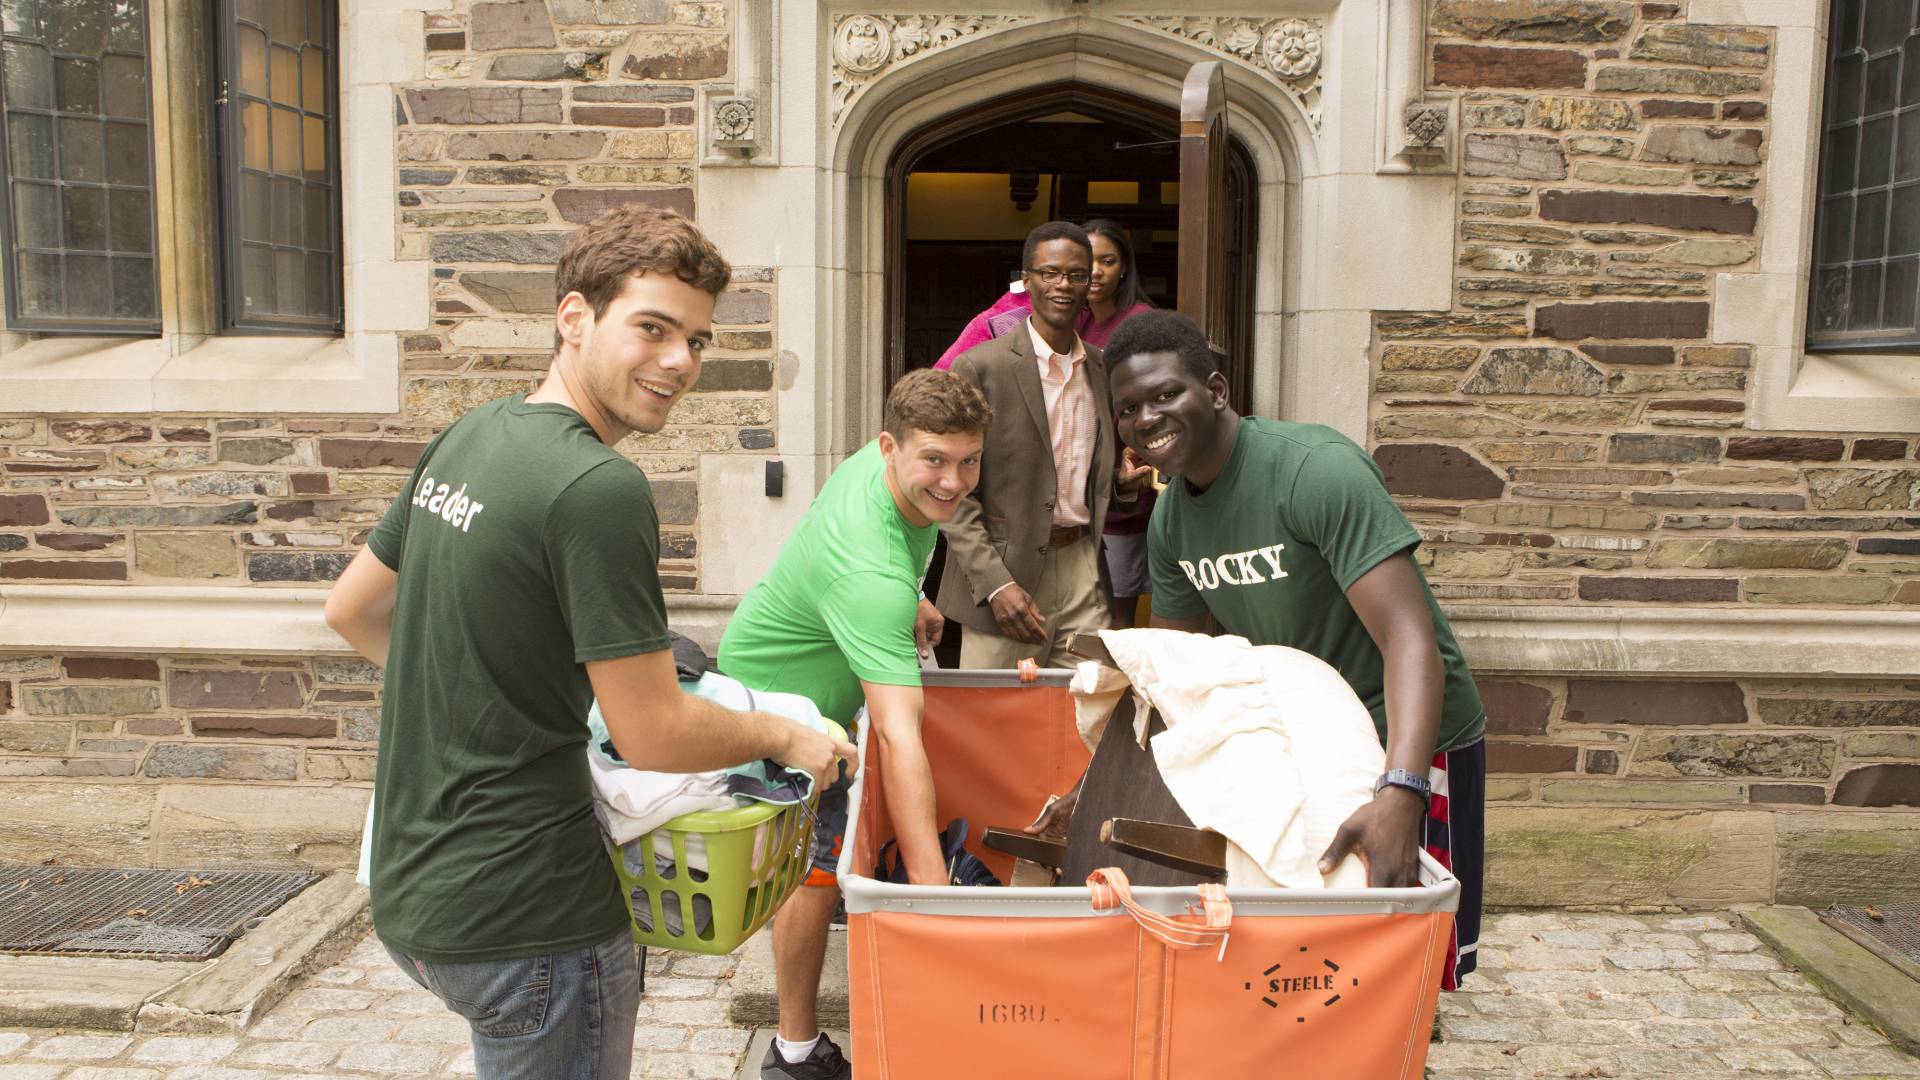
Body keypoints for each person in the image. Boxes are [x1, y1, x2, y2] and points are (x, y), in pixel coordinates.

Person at [322, 206, 855, 1080]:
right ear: (575, 317)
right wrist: (787, 736)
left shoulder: (468, 436)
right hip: (531, 917)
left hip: (414, 888)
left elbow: (353, 611)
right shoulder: (596, 487)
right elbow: (653, 735)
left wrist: (497, 696)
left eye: (696, 339)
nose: (679, 361)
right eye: (653, 328)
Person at [1104, 309, 1487, 991]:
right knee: (1327, 952)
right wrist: (1103, 789)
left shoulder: (1315, 470)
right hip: (1303, 741)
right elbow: (1177, 673)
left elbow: (1408, 636)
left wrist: (1403, 789)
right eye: (1129, 408)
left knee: (1411, 953)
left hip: (1406, 732)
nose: (1146, 418)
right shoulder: (1170, 520)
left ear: (1216, 390)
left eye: (1165, 394)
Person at [719, 369, 993, 1080]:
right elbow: (900, 733)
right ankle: (794, 1054)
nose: (954, 481)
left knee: (821, 858)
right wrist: (932, 895)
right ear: (889, 447)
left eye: (969, 460)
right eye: (935, 460)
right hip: (779, 702)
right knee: (813, 867)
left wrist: (913, 598)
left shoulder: (885, 475)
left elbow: (878, 553)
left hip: (823, 666)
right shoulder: (869, 575)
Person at [935, 221, 1145, 668]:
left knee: (1089, 704)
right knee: (996, 711)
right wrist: (996, 585)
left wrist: (1118, 483)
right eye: (1050, 273)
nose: (1063, 285)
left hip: (1084, 569)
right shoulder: (980, 368)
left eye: (1076, 275)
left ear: (1088, 283)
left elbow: (1075, 475)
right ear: (1026, 280)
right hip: (1003, 577)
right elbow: (951, 493)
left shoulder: (1101, 368)